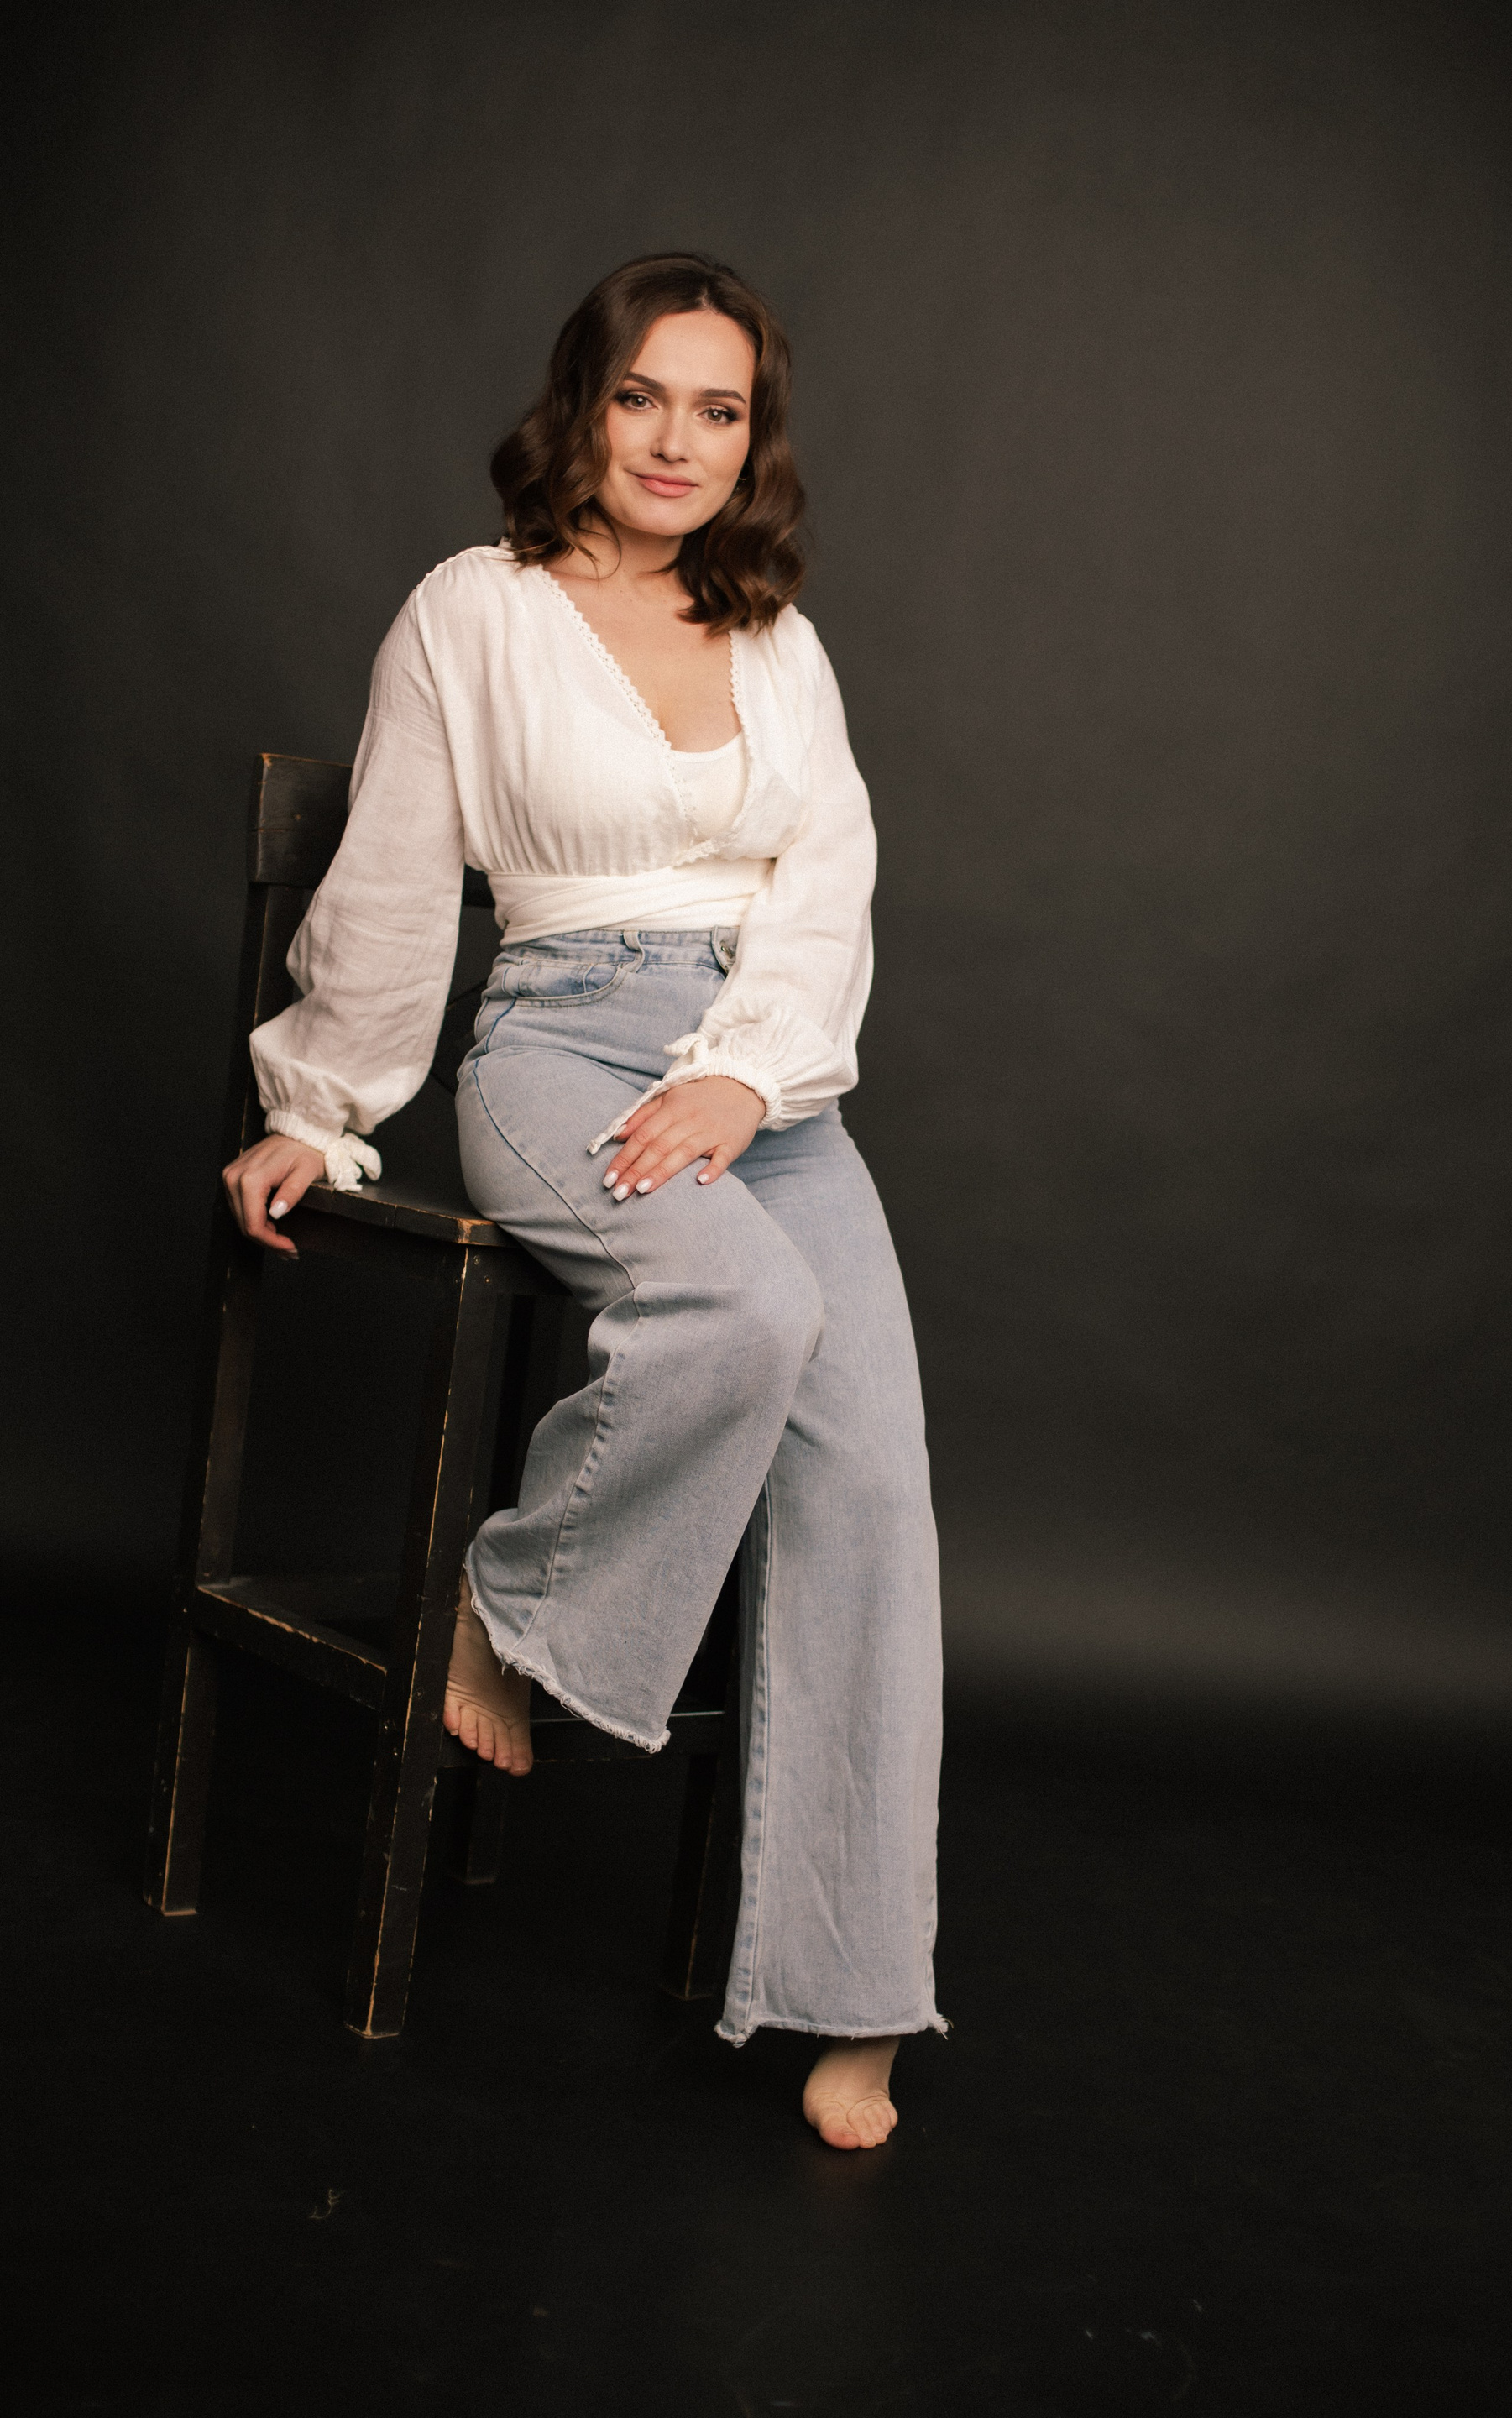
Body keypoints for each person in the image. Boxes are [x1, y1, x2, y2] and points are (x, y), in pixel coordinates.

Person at [222, 253, 944, 2151]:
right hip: (559, 1044)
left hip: (761, 1078)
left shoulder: (778, 637)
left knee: (872, 1485)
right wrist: (323, 1105)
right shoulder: (474, 611)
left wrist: (745, 1074)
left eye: (719, 409)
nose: (677, 441)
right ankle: (515, 1602)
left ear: (752, 439)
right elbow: (394, 871)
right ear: (585, 406)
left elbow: (831, 881)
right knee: (743, 1310)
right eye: (644, 397)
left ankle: (854, 1993)